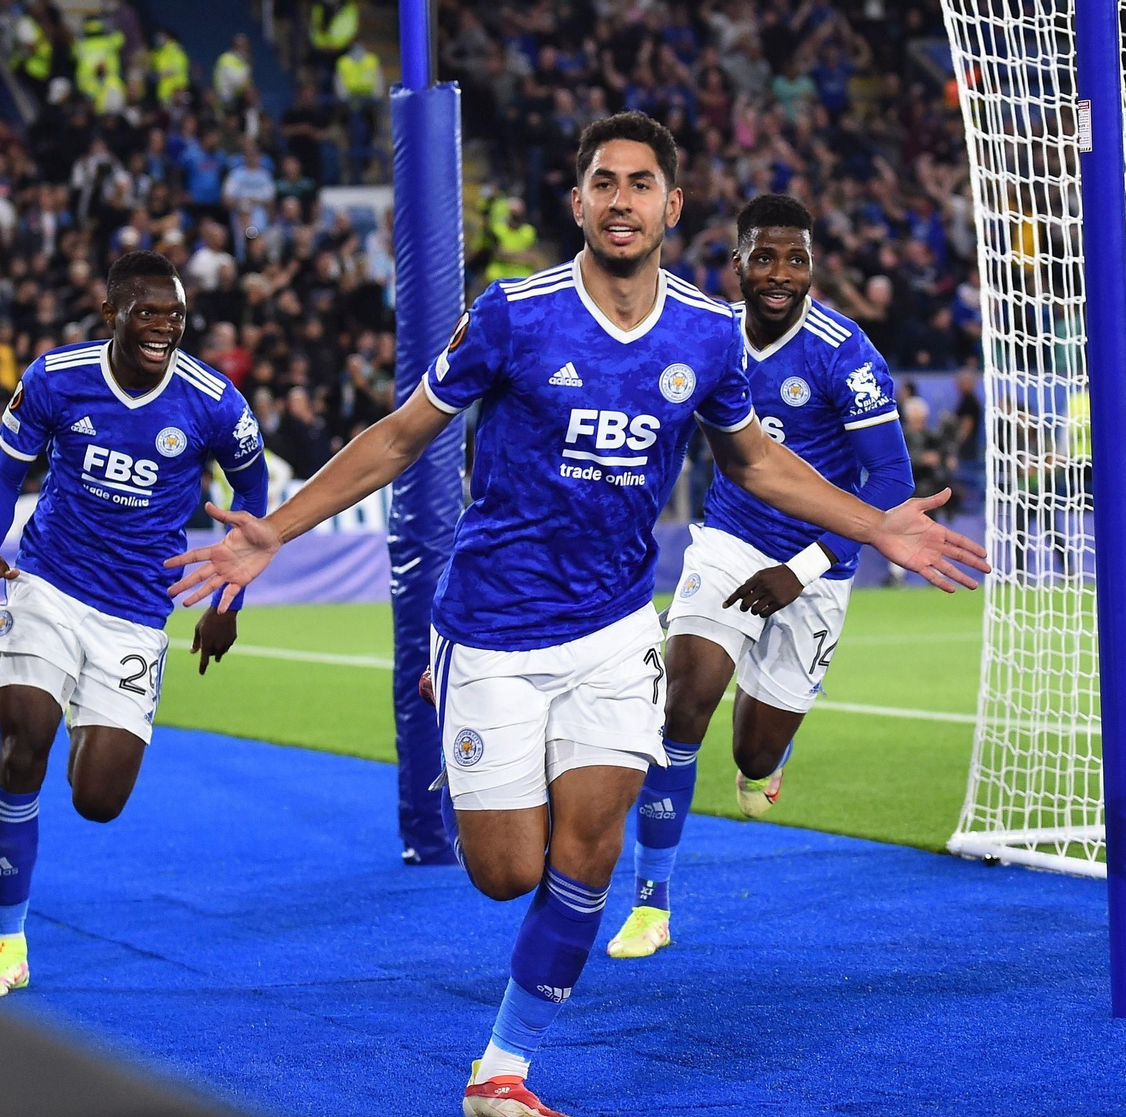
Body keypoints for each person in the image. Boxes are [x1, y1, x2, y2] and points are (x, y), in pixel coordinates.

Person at [165, 113, 987, 1115]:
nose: (620, 199)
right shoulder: (514, 313)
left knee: (589, 849)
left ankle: (501, 1070)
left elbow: (757, 461)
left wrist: (873, 525)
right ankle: (475, 730)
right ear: (577, 202)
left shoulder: (706, 332)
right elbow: (400, 436)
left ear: (671, 206)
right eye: (604, 182)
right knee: (507, 872)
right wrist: (276, 530)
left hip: (614, 627)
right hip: (492, 623)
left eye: (640, 184)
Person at [605, 194, 916, 961]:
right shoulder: (709, 337)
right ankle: (650, 904)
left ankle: (765, 762)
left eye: (796, 259)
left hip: (821, 561)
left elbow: (891, 480)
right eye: (766, 257)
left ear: (812, 267)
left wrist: (801, 569)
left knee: (751, 752)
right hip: (730, 539)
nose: (781, 273)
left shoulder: (844, 353)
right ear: (737, 264)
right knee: (683, 701)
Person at [0, 252, 267, 1000]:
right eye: (147, 312)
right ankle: (8, 943)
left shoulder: (213, 402)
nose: (164, 327)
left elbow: (253, 488)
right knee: (21, 744)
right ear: (111, 315)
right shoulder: (55, 377)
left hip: (134, 613)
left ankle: (83, 711)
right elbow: (5, 475)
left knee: (97, 799)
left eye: (175, 315)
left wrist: (228, 600)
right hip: (48, 584)